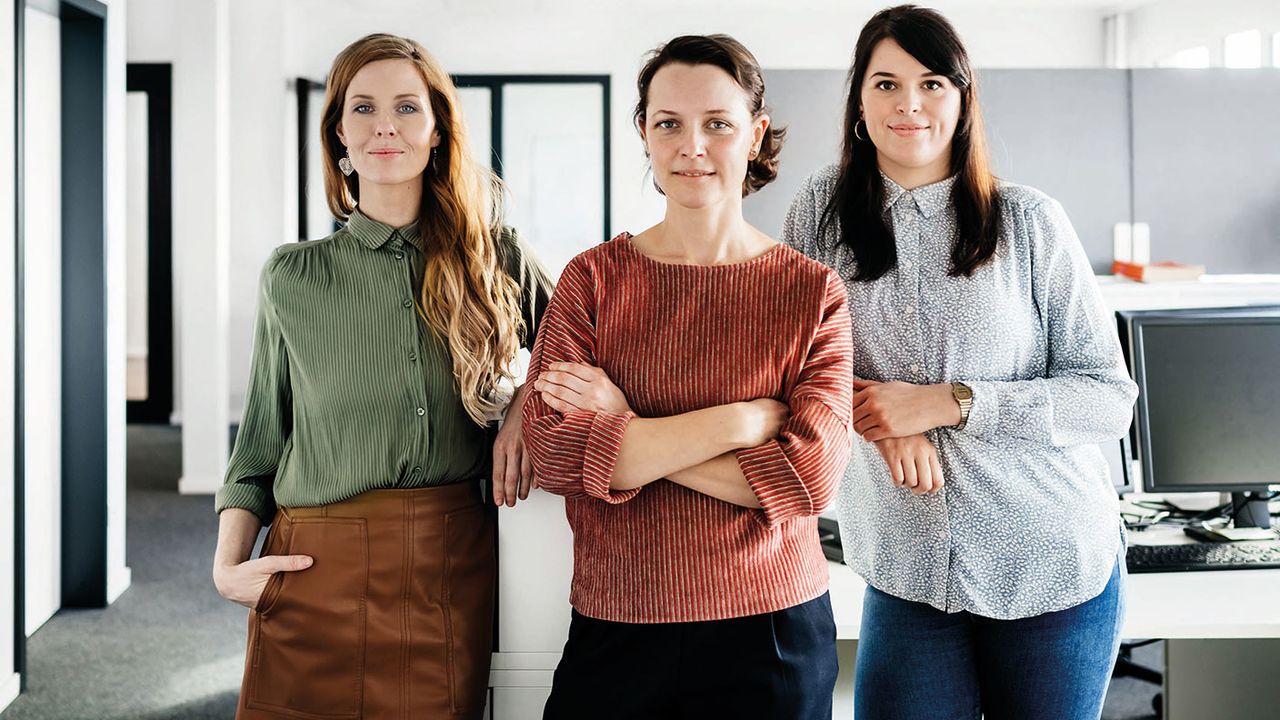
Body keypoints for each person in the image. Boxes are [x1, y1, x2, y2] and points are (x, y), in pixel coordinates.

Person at [782, 6, 1139, 719]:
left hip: (1051, 565)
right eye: (885, 83)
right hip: (907, 570)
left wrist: (950, 401)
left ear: (963, 99)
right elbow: (789, 364)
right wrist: (883, 416)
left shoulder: (1028, 221)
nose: (908, 104)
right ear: (858, 100)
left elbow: (1107, 397)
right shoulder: (820, 213)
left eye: (933, 83)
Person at [210, 33, 552, 720]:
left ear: (436, 131)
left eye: (406, 107)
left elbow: (580, 346)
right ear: (339, 132)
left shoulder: (499, 258)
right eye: (363, 108)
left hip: (444, 568)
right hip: (311, 569)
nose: (384, 125)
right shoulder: (293, 275)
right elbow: (260, 443)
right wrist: (227, 568)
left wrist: (522, 409)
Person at [522, 34, 854, 720]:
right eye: (668, 122)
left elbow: (811, 479)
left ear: (756, 135)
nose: (691, 145)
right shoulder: (591, 280)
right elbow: (553, 451)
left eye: (719, 125)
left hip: (772, 631)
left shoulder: (812, 292)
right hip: (619, 623)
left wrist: (621, 433)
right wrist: (738, 423)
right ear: (643, 132)